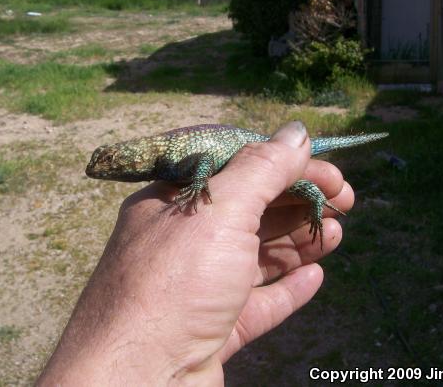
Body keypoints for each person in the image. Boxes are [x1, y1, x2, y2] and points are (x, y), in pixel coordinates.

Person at [37, 121, 354, 385]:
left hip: (236, 146)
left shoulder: (170, 163)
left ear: (131, 158)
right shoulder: (160, 163)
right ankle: (314, 196)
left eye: (111, 162)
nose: (106, 169)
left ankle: (314, 199)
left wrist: (200, 180)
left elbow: (203, 160)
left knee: (291, 184)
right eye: (107, 161)